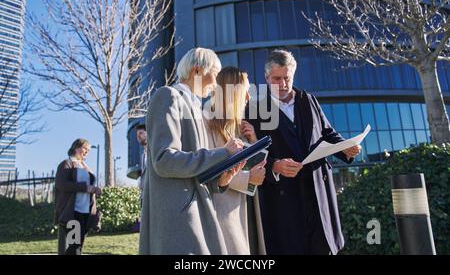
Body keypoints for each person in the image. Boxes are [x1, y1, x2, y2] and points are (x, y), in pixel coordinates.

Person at [247, 50, 361, 255]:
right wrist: (275, 165)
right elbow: (252, 152)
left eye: (287, 78)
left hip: (317, 189)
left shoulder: (308, 100)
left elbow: (327, 133)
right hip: (284, 197)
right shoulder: (254, 108)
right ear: (266, 78)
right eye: (277, 79)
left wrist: (346, 147)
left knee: (323, 247)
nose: (282, 84)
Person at [139, 48, 245, 255]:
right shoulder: (168, 96)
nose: (216, 83)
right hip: (180, 217)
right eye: (214, 74)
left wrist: (221, 180)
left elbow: (197, 167)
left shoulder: (197, 110)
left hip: (198, 210)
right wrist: (223, 153)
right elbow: (164, 160)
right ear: (197, 71)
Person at [205, 66, 267, 255]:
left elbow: (250, 161)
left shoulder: (239, 125)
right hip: (225, 210)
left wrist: (254, 141)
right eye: (245, 91)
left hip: (245, 206)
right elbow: (211, 169)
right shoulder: (209, 123)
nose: (248, 97)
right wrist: (248, 178)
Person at [54, 138, 102, 255]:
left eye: (89, 150)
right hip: (73, 213)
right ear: (76, 147)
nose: (87, 152)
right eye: (85, 148)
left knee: (78, 246)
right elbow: (61, 185)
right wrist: (85, 188)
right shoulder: (67, 163)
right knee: (74, 247)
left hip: (86, 213)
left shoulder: (85, 166)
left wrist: (95, 189)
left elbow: (89, 187)